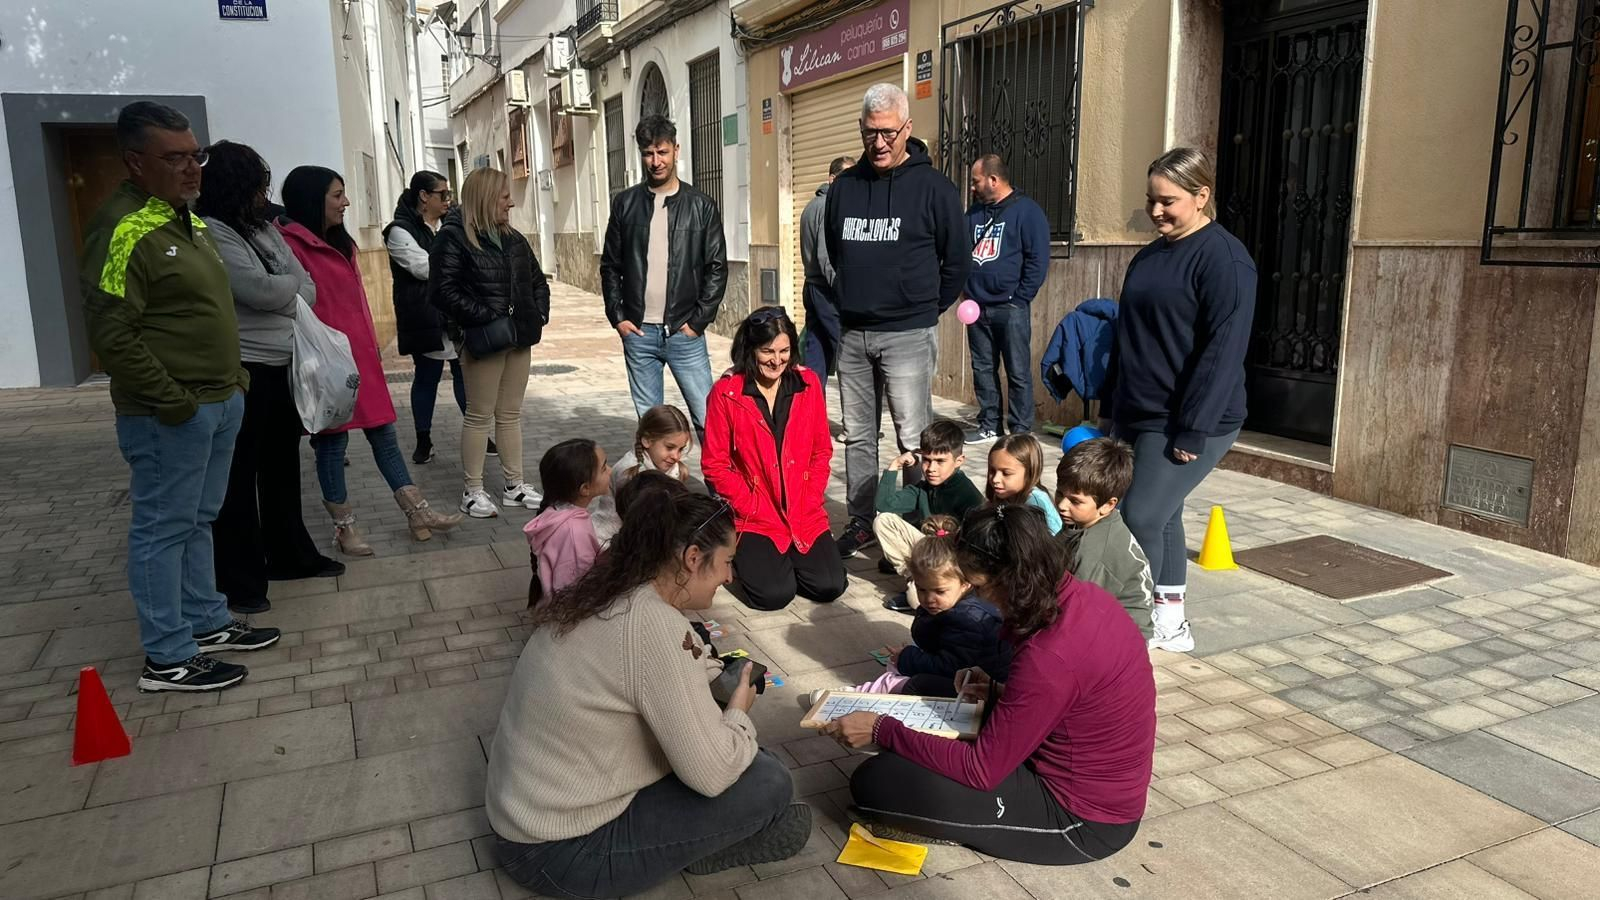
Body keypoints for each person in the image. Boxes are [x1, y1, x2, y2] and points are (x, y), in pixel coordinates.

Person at [486, 489, 811, 897]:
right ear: (693, 559)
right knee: (768, 780)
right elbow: (710, 775)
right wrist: (740, 711)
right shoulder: (651, 624)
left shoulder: (612, 590)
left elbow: (656, 674)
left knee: (742, 755)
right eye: (727, 563)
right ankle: (717, 842)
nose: (730, 577)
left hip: (526, 820)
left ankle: (710, 836)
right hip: (559, 854)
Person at [822, 504, 1155, 863]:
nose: (979, 598)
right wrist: (998, 692)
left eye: (979, 587)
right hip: (1061, 763)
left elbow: (980, 769)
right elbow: (1068, 700)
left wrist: (881, 729)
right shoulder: (1082, 597)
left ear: (1010, 581)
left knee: (876, 782)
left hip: (1081, 820)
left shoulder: (1050, 656)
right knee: (932, 688)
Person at [81, 101, 280, 693]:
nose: (192, 168)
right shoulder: (123, 227)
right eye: (175, 158)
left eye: (194, 155)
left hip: (220, 399)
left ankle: (206, 620)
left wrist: (235, 382)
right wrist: (173, 400)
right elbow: (111, 332)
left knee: (199, 519)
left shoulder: (184, 218)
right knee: (162, 529)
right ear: (135, 162)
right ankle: (166, 656)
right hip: (172, 413)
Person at [1104, 148, 1256, 653]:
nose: (1156, 212)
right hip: (1140, 411)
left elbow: (1222, 351)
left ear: (1201, 195)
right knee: (1163, 513)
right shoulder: (1151, 254)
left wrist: (1193, 428)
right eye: (1150, 200)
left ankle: (1137, 621)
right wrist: (1114, 409)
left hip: (1195, 418)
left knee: (1140, 515)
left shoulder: (1225, 260)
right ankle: (1171, 621)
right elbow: (1129, 335)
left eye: (1167, 201)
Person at [278, 166, 462, 553]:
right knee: (331, 444)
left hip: (360, 354)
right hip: (325, 361)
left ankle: (417, 513)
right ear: (313, 198)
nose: (346, 202)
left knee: (384, 434)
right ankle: (345, 528)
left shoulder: (341, 242)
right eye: (337, 195)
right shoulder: (290, 245)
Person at [198, 140, 343, 615]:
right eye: (257, 187)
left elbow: (309, 285)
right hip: (246, 368)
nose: (264, 196)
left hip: (284, 364)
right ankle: (242, 578)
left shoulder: (263, 229)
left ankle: (291, 555)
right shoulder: (214, 232)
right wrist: (289, 290)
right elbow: (255, 289)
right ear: (234, 187)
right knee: (238, 478)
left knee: (281, 468)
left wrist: (286, 289)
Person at [826, 83, 971, 559]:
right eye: (871, 132)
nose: (880, 142)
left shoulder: (935, 188)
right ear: (860, 130)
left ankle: (913, 526)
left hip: (908, 333)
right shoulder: (845, 188)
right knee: (859, 436)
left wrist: (925, 310)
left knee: (914, 438)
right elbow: (834, 248)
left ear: (907, 128)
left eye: (889, 132)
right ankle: (865, 520)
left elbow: (956, 262)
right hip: (853, 334)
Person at [703, 307, 847, 612]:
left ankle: (788, 556)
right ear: (750, 349)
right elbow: (715, 464)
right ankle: (744, 557)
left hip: (803, 508)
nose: (776, 360)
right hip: (754, 514)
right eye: (767, 351)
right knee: (773, 596)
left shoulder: (808, 386)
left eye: (784, 351)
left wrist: (811, 496)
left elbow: (822, 451)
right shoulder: (726, 393)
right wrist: (750, 503)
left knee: (831, 585)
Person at [429, 167, 551, 518]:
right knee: (479, 415)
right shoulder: (453, 238)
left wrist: (536, 313)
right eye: (503, 196)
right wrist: (486, 314)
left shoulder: (512, 238)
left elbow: (537, 281)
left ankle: (514, 486)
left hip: (519, 337)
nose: (510, 203)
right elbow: (442, 291)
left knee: (510, 413)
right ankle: (473, 490)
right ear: (484, 198)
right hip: (484, 339)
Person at [601, 115, 727, 437]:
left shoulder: (701, 206)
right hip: (639, 332)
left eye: (662, 152)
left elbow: (716, 267)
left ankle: (720, 490)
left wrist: (698, 321)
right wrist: (618, 317)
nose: (655, 161)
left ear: (676, 151)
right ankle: (658, 488)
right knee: (651, 430)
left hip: (684, 332)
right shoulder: (625, 204)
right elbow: (611, 265)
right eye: (648, 153)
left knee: (708, 421)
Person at [807, 520, 1011, 703]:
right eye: (921, 589)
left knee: (909, 682)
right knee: (902, 664)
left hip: (978, 692)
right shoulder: (958, 606)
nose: (929, 599)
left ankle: (852, 698)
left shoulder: (967, 619)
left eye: (939, 591)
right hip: (970, 675)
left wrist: (908, 657)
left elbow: (950, 668)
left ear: (966, 582)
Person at [963, 154, 1050, 444]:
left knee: (1017, 370)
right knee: (982, 368)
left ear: (993, 180)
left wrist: (1020, 297)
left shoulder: (1027, 212)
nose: (973, 187)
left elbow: (1037, 260)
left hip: (1010, 307)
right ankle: (989, 424)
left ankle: (1021, 430)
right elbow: (961, 254)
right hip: (977, 308)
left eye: (976, 181)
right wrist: (965, 291)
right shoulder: (973, 214)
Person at [384, 170, 467, 465]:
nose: (448, 199)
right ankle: (423, 438)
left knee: (464, 374)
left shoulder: (453, 222)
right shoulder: (399, 230)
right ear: (423, 196)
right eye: (442, 194)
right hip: (424, 314)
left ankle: (477, 433)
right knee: (427, 377)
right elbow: (422, 267)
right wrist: (460, 264)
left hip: (456, 313)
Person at [873, 418, 985, 613]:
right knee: (883, 521)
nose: (931, 469)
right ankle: (916, 580)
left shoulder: (967, 493)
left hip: (953, 562)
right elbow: (884, 505)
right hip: (930, 553)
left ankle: (926, 589)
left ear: (959, 461)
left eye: (940, 461)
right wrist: (894, 465)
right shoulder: (922, 489)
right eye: (927, 460)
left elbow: (977, 544)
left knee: (921, 604)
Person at [1055, 437, 1154, 640]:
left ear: (1108, 505)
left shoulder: (1096, 552)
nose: (1062, 505)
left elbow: (1073, 612)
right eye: (1059, 493)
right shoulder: (1082, 522)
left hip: (1117, 643)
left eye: (1075, 501)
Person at [525, 439, 609, 606]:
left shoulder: (558, 513)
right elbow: (577, 587)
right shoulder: (574, 532)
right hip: (570, 619)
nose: (610, 472)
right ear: (585, 488)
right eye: (604, 468)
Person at [800, 155, 855, 383]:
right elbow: (825, 257)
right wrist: (843, 288)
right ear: (832, 179)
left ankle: (813, 413)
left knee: (816, 352)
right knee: (848, 355)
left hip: (812, 288)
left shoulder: (811, 206)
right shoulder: (827, 208)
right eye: (846, 177)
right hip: (825, 290)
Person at [612, 404, 706, 495]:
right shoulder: (627, 474)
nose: (676, 457)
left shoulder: (676, 470)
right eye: (669, 447)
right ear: (647, 440)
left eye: (681, 449)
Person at [987, 434, 1063, 534]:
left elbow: (1050, 543)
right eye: (992, 471)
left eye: (1006, 473)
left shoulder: (1036, 501)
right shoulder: (1002, 495)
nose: (995, 479)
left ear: (1029, 472)